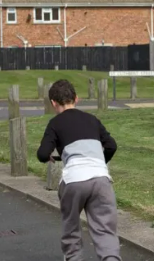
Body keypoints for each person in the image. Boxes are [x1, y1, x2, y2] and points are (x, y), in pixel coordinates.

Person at [37, 79, 121, 261]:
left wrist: (50, 157)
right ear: (77, 98)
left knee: (71, 227)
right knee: (105, 229)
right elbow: (111, 146)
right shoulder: (92, 119)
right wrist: (99, 162)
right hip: (100, 179)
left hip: (74, 179)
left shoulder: (55, 123)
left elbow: (42, 154)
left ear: (53, 103)